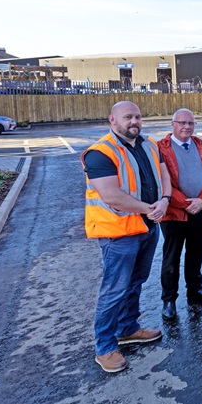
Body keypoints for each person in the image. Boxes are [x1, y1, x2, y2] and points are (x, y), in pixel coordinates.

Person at [81, 101, 171, 373]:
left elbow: (164, 176)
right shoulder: (100, 152)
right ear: (113, 120)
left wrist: (165, 200)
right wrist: (149, 208)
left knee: (136, 281)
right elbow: (110, 195)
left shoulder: (150, 145)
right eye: (128, 117)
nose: (134, 121)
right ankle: (105, 347)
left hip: (148, 227)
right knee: (114, 289)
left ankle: (127, 328)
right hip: (119, 233)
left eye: (138, 116)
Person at [156, 108, 202, 320]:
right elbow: (162, 182)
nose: (187, 127)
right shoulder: (160, 149)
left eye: (191, 123)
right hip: (174, 213)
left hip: (200, 209)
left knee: (196, 252)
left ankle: (195, 290)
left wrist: (201, 200)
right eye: (182, 123)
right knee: (171, 257)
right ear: (172, 124)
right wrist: (185, 203)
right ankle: (169, 300)